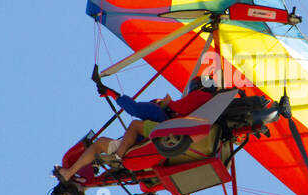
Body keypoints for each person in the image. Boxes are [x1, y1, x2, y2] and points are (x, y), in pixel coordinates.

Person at [55, 77, 218, 182]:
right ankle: (73, 173)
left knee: (135, 123)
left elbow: (176, 107)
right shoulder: (209, 105)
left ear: (200, 86)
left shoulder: (200, 97)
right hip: (159, 138)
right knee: (100, 143)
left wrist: (165, 102)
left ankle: (115, 159)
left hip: (169, 129)